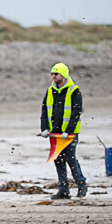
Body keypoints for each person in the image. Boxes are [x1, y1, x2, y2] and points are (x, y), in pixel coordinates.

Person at [40, 62, 87, 199]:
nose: (53, 76)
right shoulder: (50, 91)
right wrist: (44, 129)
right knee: (58, 161)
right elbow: (45, 111)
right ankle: (63, 190)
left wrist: (68, 130)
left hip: (69, 135)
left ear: (64, 75)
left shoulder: (74, 91)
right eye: (52, 74)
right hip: (55, 134)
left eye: (56, 74)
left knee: (70, 160)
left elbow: (76, 112)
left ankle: (81, 185)